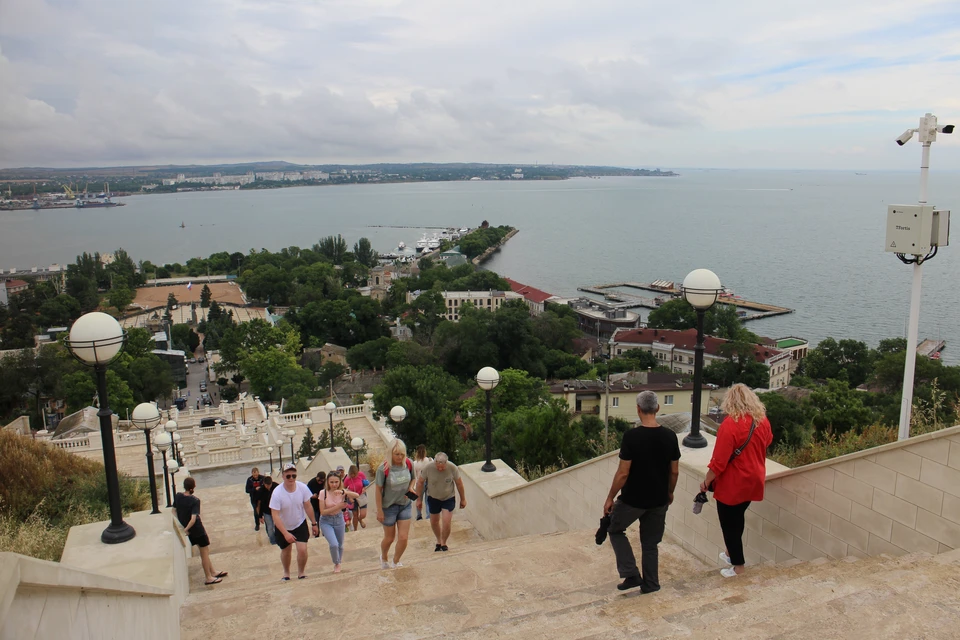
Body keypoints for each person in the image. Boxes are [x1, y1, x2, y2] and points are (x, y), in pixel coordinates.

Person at [603, 390, 680, 594]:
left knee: (614, 529)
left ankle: (631, 573)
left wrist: (610, 497)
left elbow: (623, 473)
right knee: (650, 544)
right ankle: (651, 584)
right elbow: (674, 471)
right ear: (657, 408)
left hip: (632, 500)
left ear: (638, 409)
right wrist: (670, 493)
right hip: (658, 499)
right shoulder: (670, 436)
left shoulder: (631, 437)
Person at [699, 383, 773, 578]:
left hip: (734, 482)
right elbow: (768, 441)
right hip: (754, 479)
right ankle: (731, 553)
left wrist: (706, 482)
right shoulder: (762, 421)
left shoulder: (730, 425)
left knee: (728, 525)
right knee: (737, 518)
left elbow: (718, 462)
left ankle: (738, 566)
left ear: (730, 402)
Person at [174, 476, 228, 585]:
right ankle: (208, 577)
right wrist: (186, 528)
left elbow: (173, 511)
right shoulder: (195, 500)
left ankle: (213, 571)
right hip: (198, 530)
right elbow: (193, 519)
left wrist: (183, 525)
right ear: (193, 487)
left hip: (191, 532)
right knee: (204, 553)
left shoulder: (178, 496)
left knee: (204, 551)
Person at [269, 462, 318, 581]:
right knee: (286, 551)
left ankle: (301, 572)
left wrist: (314, 523)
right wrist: (285, 533)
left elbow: (308, 506)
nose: (291, 478)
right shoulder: (277, 493)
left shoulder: (302, 488)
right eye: (288, 476)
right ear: (283, 476)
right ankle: (286, 573)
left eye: (293, 476)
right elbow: (275, 515)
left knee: (302, 549)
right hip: (283, 526)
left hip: (299, 523)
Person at [375, 438, 416, 569]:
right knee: (389, 538)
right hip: (389, 507)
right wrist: (379, 510)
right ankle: (384, 556)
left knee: (403, 537)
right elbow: (378, 490)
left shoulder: (408, 464)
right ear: (391, 453)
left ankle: (396, 561)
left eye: (402, 454)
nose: (400, 457)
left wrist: (411, 487)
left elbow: (414, 478)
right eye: (397, 454)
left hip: (405, 504)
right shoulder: (383, 469)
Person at [416, 452, 466, 552]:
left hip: (448, 497)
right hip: (433, 498)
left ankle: (443, 542)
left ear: (446, 463)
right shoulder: (428, 468)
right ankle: (438, 540)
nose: (440, 469)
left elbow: (459, 483)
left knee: (446, 522)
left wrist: (463, 499)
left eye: (442, 467)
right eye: (438, 467)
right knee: (434, 521)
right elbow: (420, 483)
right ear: (435, 462)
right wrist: (419, 499)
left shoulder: (452, 468)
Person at [318, 471, 361, 573]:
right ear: (327, 482)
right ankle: (336, 562)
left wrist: (344, 492)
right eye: (331, 482)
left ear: (340, 482)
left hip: (339, 519)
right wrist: (338, 506)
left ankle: (338, 563)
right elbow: (322, 512)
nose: (334, 485)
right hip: (326, 521)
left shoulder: (342, 492)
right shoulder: (323, 493)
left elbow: (356, 495)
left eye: (336, 482)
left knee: (340, 544)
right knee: (334, 544)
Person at [343, 465, 369, 531]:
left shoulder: (361, 475)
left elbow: (365, 482)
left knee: (363, 514)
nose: (353, 476)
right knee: (355, 515)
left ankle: (360, 519)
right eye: (351, 474)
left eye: (354, 474)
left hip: (361, 495)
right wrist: (349, 497)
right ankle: (355, 530)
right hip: (352, 497)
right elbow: (344, 489)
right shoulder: (347, 479)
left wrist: (364, 488)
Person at [412, 445, 433, 520]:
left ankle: (419, 515)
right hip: (428, 482)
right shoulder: (430, 460)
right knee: (428, 500)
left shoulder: (415, 463)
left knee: (418, 500)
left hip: (419, 484)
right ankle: (428, 516)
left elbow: (415, 476)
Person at [256, 475, 278, 545]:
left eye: (270, 485)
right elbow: (258, 503)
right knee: (270, 527)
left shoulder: (276, 487)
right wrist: (259, 516)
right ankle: (273, 541)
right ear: (264, 484)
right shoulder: (261, 490)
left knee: (277, 526)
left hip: (276, 510)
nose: (268, 487)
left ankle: (278, 539)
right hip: (266, 512)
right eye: (267, 485)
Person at [307, 471, 326, 536]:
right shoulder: (311, 482)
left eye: (321, 481)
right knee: (316, 520)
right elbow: (306, 493)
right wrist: (312, 496)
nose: (320, 482)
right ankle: (317, 534)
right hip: (314, 505)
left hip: (323, 504)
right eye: (319, 480)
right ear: (316, 477)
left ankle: (325, 533)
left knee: (324, 520)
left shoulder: (325, 483)